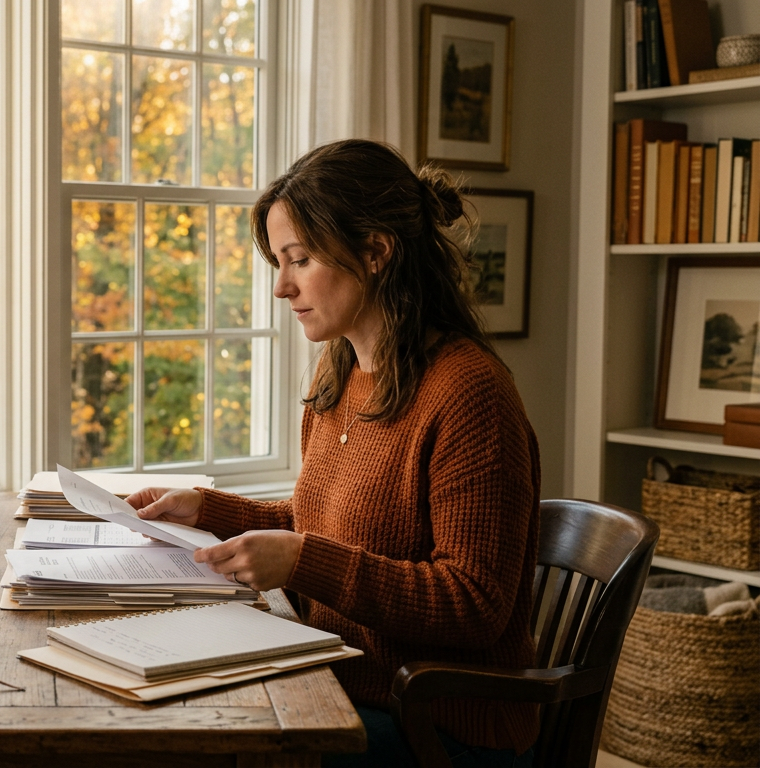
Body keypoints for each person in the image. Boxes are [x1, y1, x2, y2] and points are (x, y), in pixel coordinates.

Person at [127, 139, 539, 768]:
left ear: (376, 252)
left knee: (195, 746)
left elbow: (474, 605)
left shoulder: (469, 393)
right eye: (279, 262)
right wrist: (210, 510)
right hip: (335, 678)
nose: (281, 287)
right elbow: (324, 521)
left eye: (301, 259)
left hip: (436, 725)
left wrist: (303, 562)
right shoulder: (339, 371)